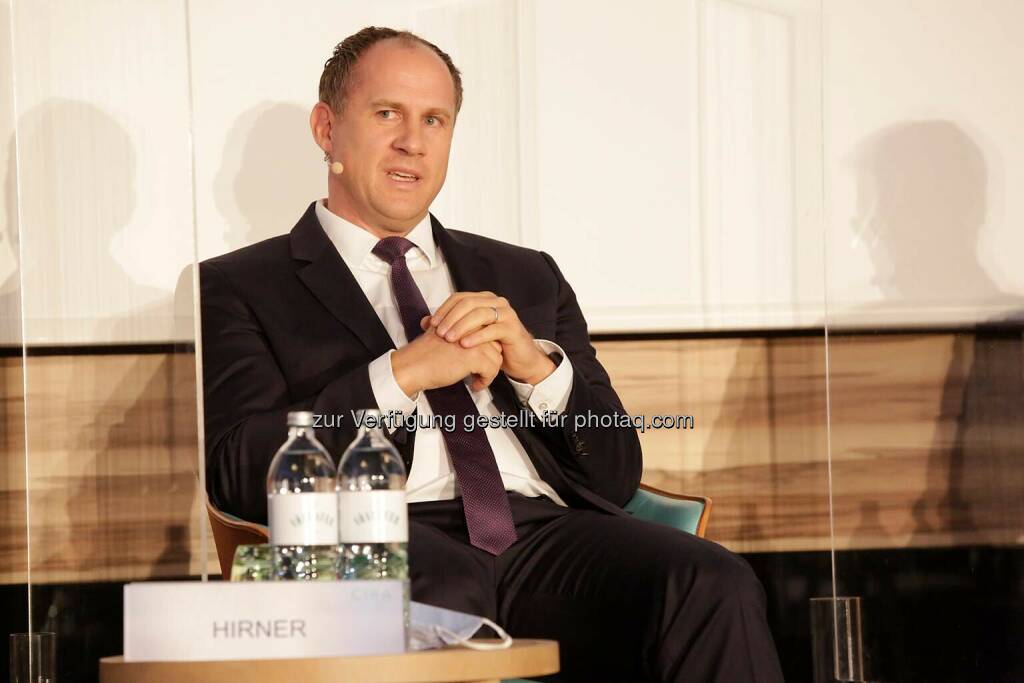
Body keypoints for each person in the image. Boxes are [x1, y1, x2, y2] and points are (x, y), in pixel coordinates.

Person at [200, 26, 784, 683]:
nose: (412, 142)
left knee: (712, 581)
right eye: (387, 113)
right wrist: (403, 373)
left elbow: (617, 475)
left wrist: (538, 371)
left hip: (542, 537)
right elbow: (237, 471)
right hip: (377, 538)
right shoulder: (239, 286)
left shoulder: (526, 275)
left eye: (434, 120)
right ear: (326, 128)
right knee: (441, 595)